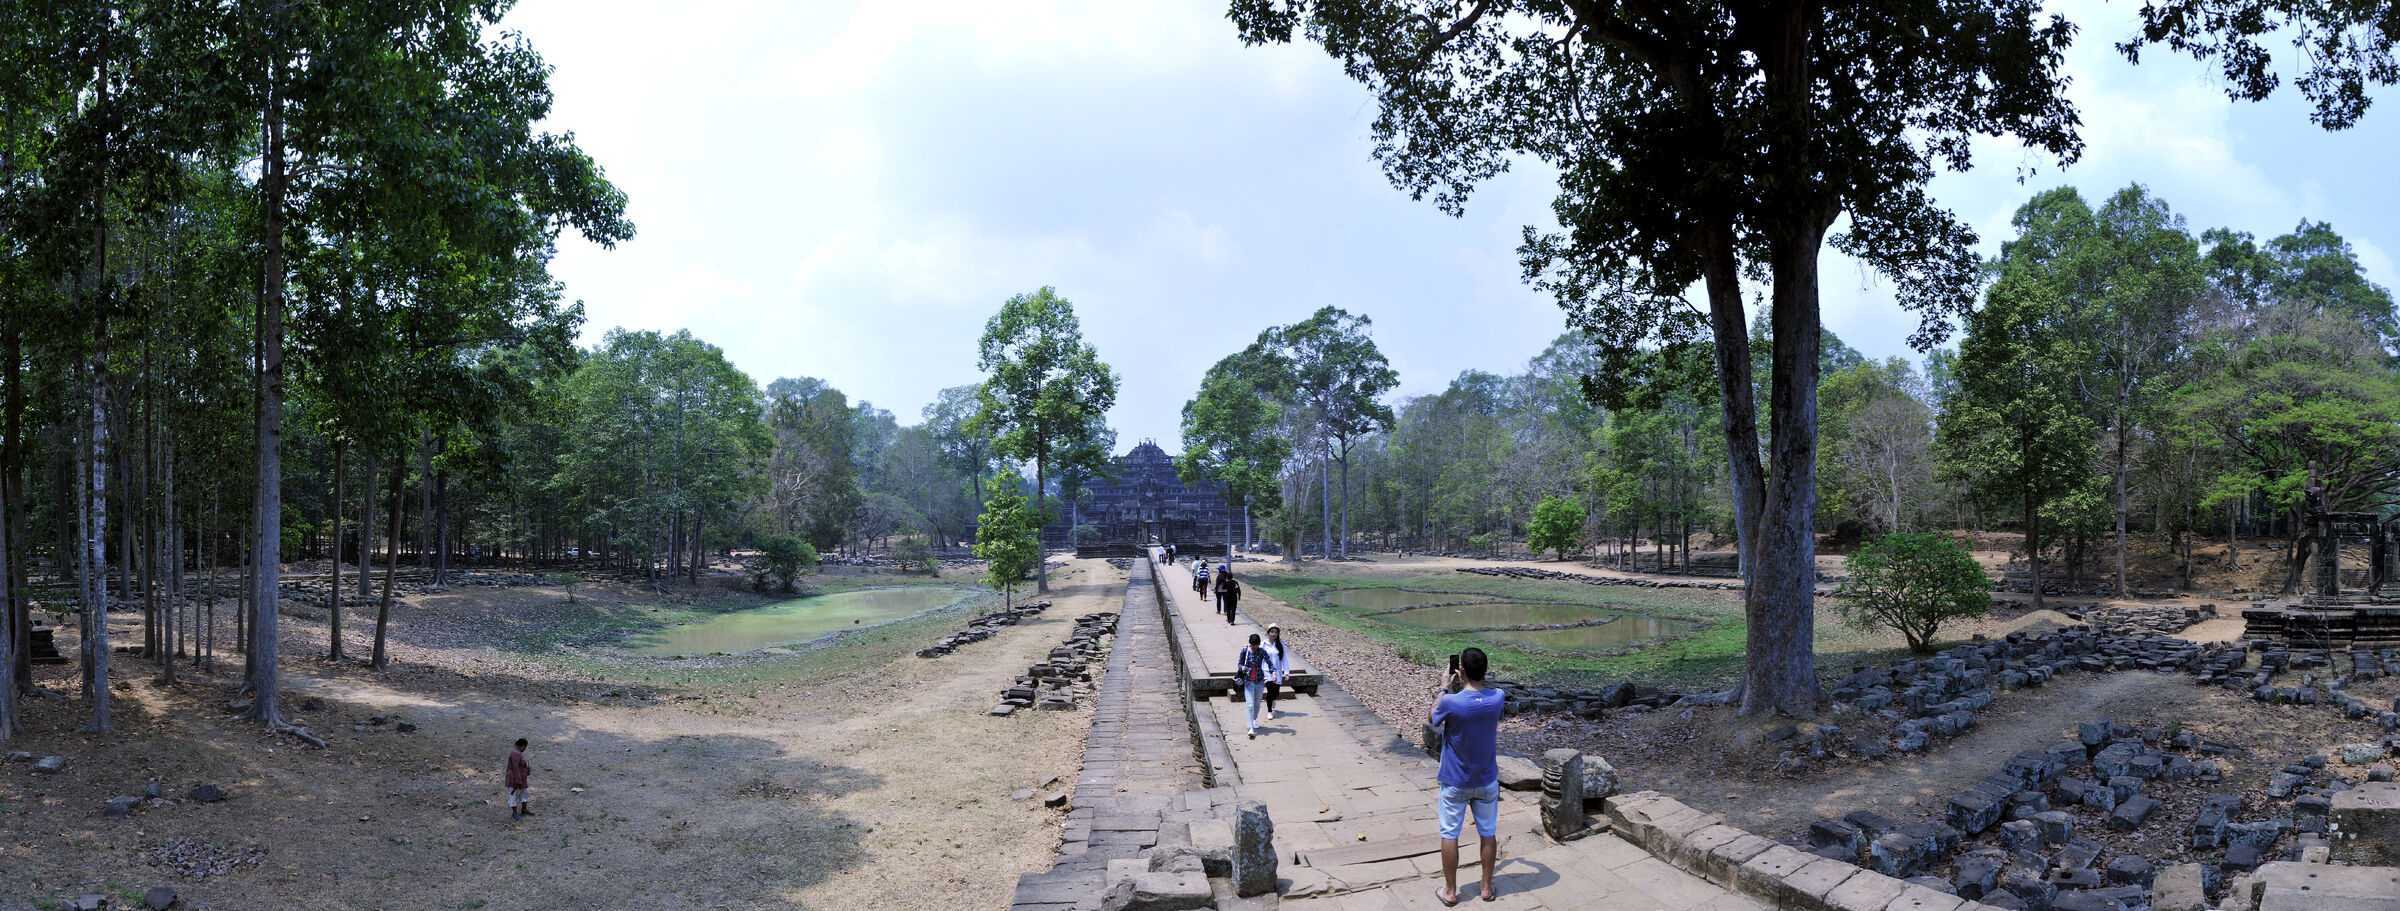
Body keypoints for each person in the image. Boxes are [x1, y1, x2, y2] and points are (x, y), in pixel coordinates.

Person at [1429, 648, 1503, 905]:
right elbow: (1483, 696)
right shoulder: (1498, 697)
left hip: (1455, 780)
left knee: (1450, 834)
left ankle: (1450, 891)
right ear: (1484, 670)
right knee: (1488, 832)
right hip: (1486, 780)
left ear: (1460, 672)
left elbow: (1432, 719)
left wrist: (1442, 688)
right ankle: (1485, 887)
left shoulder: (1451, 701)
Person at [1236, 633, 1272, 739]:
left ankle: (1254, 718)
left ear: (1259, 644)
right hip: (1248, 681)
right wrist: (1241, 667)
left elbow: (1269, 662)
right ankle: (1250, 727)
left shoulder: (1262, 652)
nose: (1254, 647)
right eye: (1252, 645)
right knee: (1250, 705)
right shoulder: (1245, 651)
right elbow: (1239, 663)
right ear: (1250, 643)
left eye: (1255, 645)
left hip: (1260, 681)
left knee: (1257, 703)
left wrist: (1273, 672)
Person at [1261, 623, 1289, 717]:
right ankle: (1269, 711)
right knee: (1270, 690)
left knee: (1276, 692)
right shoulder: (1264, 644)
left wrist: (1286, 672)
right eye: (1272, 632)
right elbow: (1258, 656)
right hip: (1266, 671)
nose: (1273, 634)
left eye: (1275, 632)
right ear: (1268, 632)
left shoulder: (1280, 644)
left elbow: (1284, 659)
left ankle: (1273, 699)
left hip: (1277, 671)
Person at [505, 738, 534, 821]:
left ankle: (524, 809)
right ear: (523, 746)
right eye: (525, 747)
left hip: (522, 780)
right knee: (513, 796)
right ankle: (514, 813)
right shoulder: (514, 754)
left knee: (524, 793)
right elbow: (515, 768)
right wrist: (518, 780)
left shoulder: (518, 753)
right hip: (515, 780)